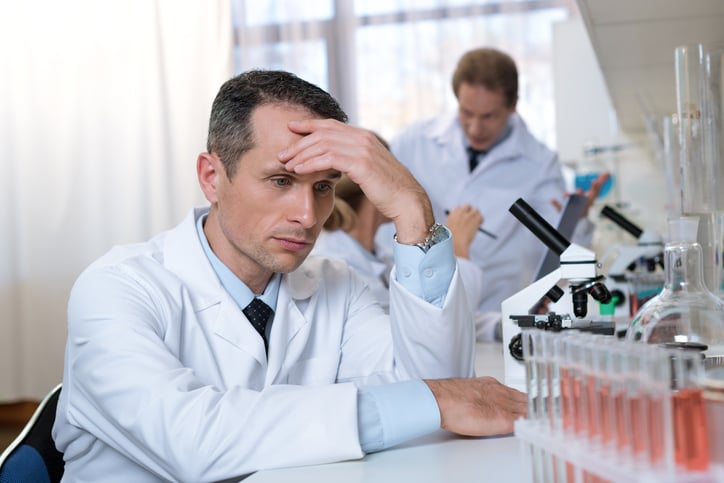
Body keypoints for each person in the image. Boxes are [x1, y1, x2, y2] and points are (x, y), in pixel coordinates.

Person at [52, 69, 527, 481]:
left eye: (323, 186)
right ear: (212, 177)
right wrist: (430, 404)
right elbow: (192, 442)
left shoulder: (337, 284)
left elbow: (441, 395)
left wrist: (411, 209)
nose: (308, 214)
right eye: (281, 181)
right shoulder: (116, 287)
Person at [377, 47, 608, 317]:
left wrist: (577, 217)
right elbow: (382, 224)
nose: (475, 127)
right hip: (421, 307)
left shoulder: (540, 163)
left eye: (488, 116)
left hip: (494, 311)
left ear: (512, 106)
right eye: (466, 113)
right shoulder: (414, 141)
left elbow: (559, 250)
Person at [312, 134, 500, 341]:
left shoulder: (379, 255)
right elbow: (436, 329)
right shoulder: (335, 263)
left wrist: (505, 326)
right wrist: (458, 248)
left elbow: (429, 310)